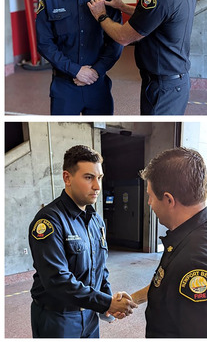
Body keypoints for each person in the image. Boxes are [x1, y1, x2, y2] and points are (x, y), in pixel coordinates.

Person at [87, 0, 197, 115]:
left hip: (163, 87)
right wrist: (122, 7)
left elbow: (123, 37)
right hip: (176, 82)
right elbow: (156, 19)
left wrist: (101, 15)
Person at [29, 145, 136, 338]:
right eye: (89, 178)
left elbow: (100, 270)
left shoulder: (95, 221)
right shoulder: (49, 221)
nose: (97, 186)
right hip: (58, 319)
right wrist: (105, 302)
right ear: (67, 178)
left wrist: (108, 303)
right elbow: (57, 279)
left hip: (89, 314)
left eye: (99, 178)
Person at [132, 147, 207, 337]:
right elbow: (168, 282)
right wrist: (134, 299)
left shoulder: (194, 261)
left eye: (150, 196)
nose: (149, 203)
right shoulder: (194, 232)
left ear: (169, 200)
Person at [36, 0, 122, 115]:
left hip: (98, 84)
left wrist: (96, 71)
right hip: (64, 86)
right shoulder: (49, 0)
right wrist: (75, 70)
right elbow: (44, 43)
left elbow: (116, 41)